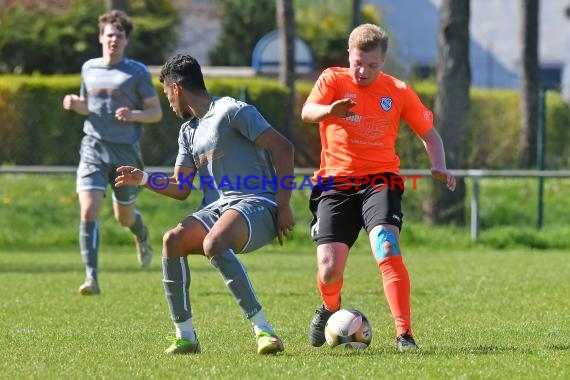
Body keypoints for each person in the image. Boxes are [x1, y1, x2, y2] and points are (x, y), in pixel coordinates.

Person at [114, 54, 295, 355]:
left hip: (257, 204)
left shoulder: (232, 111)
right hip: (216, 210)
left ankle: (264, 330)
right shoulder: (188, 131)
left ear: (176, 88)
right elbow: (181, 187)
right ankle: (185, 336)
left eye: (166, 94)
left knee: (215, 242)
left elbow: (283, 147)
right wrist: (143, 179)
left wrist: (284, 203)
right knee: (173, 240)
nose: (168, 102)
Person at [301, 23, 456, 352]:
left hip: (380, 181)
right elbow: (307, 111)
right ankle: (330, 308)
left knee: (387, 247)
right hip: (335, 183)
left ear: (382, 62)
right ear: (349, 54)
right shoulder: (332, 79)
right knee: (329, 269)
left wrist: (439, 165)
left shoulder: (397, 90)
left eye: (372, 65)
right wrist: (330, 110)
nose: (363, 71)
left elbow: (429, 134)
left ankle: (404, 334)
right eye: (358, 62)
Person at [62, 10, 163, 296]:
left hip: (125, 154)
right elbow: (87, 105)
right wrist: (75, 103)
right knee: (89, 209)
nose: (113, 40)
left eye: (119, 36)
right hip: (93, 148)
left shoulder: (137, 72)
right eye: (109, 35)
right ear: (100, 38)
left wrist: (133, 114)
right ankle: (91, 278)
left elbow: (155, 113)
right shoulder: (89, 68)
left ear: (126, 40)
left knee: (124, 218)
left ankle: (140, 233)